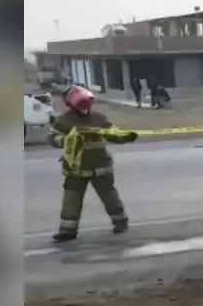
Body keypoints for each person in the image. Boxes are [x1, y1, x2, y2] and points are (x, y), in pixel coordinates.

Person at [47, 85, 139, 243]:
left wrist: (125, 137)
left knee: (109, 195)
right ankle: (68, 230)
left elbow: (113, 134)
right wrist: (64, 140)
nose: (84, 110)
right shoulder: (64, 120)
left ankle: (120, 221)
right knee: (72, 197)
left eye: (86, 106)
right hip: (76, 166)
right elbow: (52, 138)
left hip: (100, 166)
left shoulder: (99, 118)